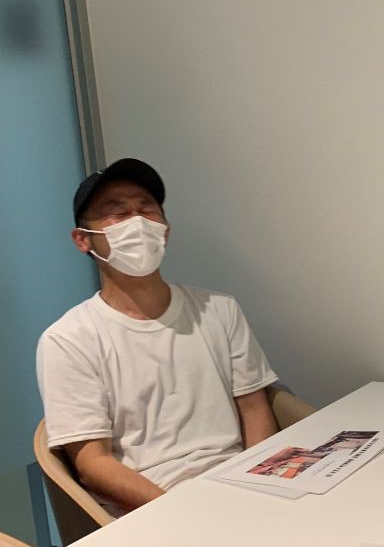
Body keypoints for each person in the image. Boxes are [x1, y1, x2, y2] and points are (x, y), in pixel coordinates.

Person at [36, 158, 280, 517]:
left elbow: (255, 409)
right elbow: (92, 463)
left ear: (164, 230)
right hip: (150, 508)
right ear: (83, 239)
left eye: (147, 209)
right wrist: (182, 512)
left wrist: (256, 485)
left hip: (238, 487)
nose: (137, 221)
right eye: (117, 213)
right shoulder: (69, 339)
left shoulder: (220, 309)